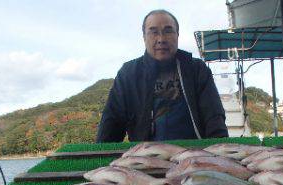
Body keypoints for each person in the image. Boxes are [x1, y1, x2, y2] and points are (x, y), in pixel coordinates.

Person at [96, 9, 229, 142]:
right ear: (144, 37)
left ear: (177, 34)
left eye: (168, 31)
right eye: (153, 32)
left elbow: (214, 117)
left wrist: (220, 150)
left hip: (193, 155)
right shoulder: (128, 73)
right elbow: (111, 122)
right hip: (145, 156)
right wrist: (100, 154)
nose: (161, 39)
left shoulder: (197, 69)